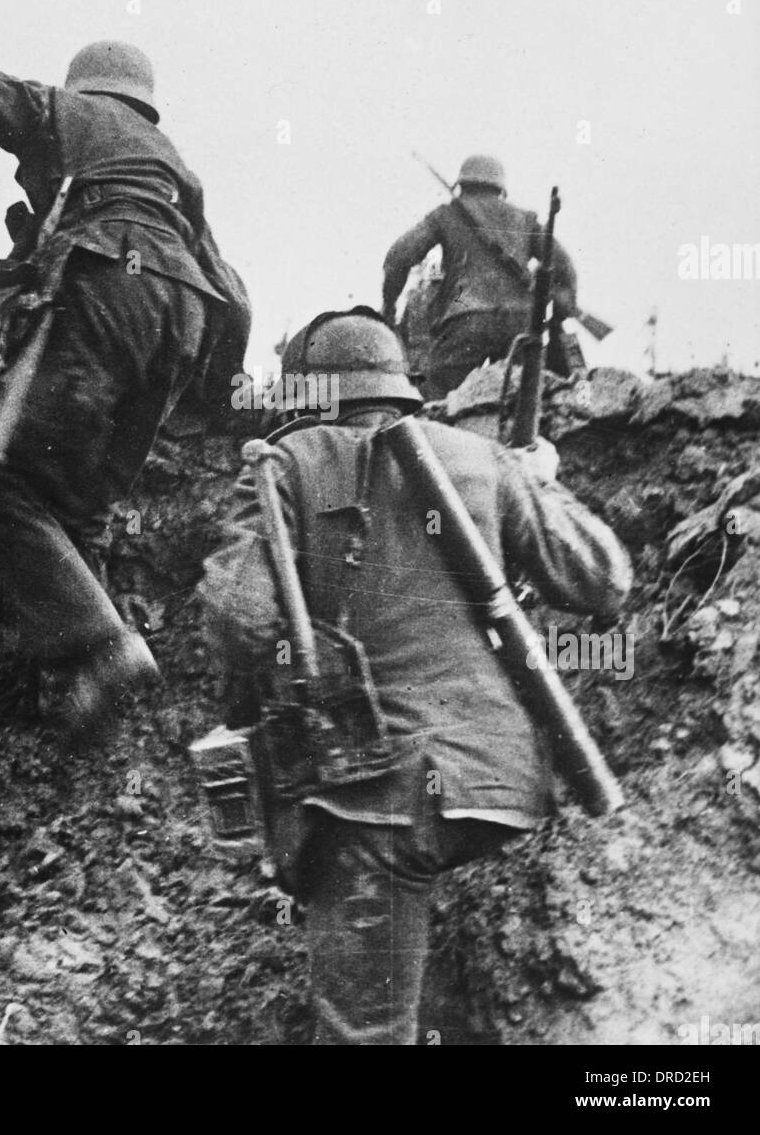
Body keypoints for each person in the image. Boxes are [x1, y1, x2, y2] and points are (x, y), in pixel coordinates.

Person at [197, 308, 631, 1045]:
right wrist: (540, 484)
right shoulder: (481, 458)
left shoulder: (283, 466)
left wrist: (250, 715)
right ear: (402, 388)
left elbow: (241, 618)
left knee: (363, 1036)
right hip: (494, 784)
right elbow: (602, 582)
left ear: (305, 394)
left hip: (371, 796)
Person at [0, 40, 249, 742]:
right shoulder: (173, 170)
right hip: (187, 317)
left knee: (2, 484)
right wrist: (217, 397)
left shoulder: (59, 110)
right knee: (81, 515)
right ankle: (79, 714)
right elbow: (234, 292)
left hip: (107, 281)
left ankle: (108, 651)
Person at [382, 154, 579, 397]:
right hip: (521, 322)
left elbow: (398, 257)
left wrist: (389, 304)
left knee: (436, 395)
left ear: (462, 184)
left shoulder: (446, 215)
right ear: (500, 188)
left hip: (467, 317)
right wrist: (560, 311)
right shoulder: (524, 220)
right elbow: (565, 266)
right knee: (520, 402)